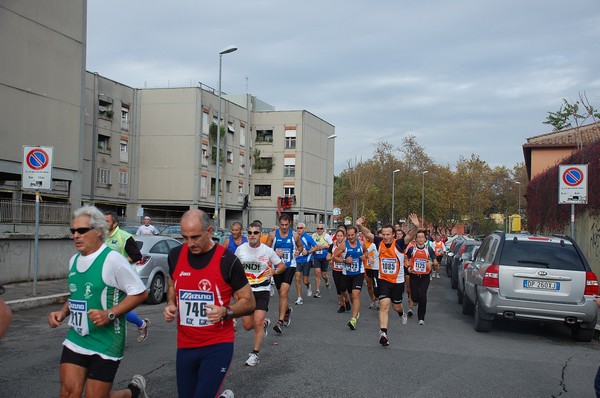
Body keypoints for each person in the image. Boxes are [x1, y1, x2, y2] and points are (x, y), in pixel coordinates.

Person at [48, 205, 149, 398]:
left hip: (106, 341)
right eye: (73, 230)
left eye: (82, 230)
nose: (76, 235)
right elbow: (76, 296)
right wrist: (62, 313)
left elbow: (140, 293)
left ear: (98, 232)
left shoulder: (113, 260)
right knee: (68, 393)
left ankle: (132, 393)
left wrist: (109, 313)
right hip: (77, 338)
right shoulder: (74, 261)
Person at [163, 209, 255, 398]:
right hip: (185, 345)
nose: (190, 243)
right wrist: (171, 303)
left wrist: (226, 311)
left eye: (195, 237)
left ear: (209, 231)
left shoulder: (227, 261)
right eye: (185, 237)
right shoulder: (175, 255)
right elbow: (172, 283)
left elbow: (249, 302)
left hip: (217, 345)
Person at [356, 213, 420, 346]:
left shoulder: (400, 244)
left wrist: (416, 226)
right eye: (383, 234)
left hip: (397, 281)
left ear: (393, 235)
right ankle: (383, 333)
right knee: (384, 305)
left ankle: (402, 313)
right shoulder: (379, 242)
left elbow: (411, 235)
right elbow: (367, 233)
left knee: (396, 306)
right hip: (383, 279)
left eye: (387, 234)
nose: (385, 237)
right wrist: (359, 225)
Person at [234, 221, 285, 366]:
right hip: (246, 292)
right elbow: (233, 268)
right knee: (247, 325)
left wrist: (274, 271)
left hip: (262, 290)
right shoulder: (240, 250)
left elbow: (282, 265)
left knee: (257, 322)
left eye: (255, 232)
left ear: (261, 234)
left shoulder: (267, 250)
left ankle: (254, 353)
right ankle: (265, 324)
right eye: (250, 233)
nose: (252, 235)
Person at [104, 211, 150, 343]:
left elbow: (137, 256)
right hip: (106, 277)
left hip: (121, 278)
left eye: (107, 221)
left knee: (117, 307)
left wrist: (119, 263)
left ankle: (138, 326)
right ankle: (141, 324)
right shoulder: (100, 236)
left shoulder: (124, 237)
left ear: (115, 223)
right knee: (107, 306)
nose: (103, 224)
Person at [265, 214, 304, 334]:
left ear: (290, 224)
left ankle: (280, 322)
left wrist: (298, 251)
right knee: (281, 294)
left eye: (286, 225)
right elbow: (264, 250)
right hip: (277, 267)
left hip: (289, 266)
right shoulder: (273, 235)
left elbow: (300, 246)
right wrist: (274, 252)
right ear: (279, 223)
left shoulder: (294, 235)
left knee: (283, 292)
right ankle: (287, 311)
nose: (284, 227)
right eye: (282, 225)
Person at [333, 226, 364, 330]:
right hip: (347, 273)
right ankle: (354, 309)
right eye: (349, 235)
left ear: (356, 234)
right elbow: (334, 257)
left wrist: (365, 256)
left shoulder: (361, 244)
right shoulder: (343, 245)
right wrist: (344, 260)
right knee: (350, 295)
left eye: (352, 235)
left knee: (355, 294)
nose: (351, 237)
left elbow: (366, 252)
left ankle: (353, 319)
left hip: (359, 273)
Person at [405, 229, 439, 326]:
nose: (420, 239)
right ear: (415, 239)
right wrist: (408, 267)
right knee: (414, 296)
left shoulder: (429, 249)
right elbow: (406, 259)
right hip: (414, 275)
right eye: (418, 237)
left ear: (425, 239)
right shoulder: (412, 249)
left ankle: (421, 318)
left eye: (422, 237)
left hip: (425, 276)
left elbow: (435, 262)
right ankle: (415, 301)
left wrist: (432, 263)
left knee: (423, 296)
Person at [294, 222, 318, 304]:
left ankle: (308, 286)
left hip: (306, 260)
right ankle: (299, 298)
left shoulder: (307, 237)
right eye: (298, 228)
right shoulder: (294, 237)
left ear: (304, 229)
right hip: (297, 260)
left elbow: (316, 246)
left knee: (305, 281)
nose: (299, 229)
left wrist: (308, 252)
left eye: (301, 228)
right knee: (297, 278)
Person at [311, 223, 332, 295]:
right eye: (318, 228)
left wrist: (324, 246)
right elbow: (310, 245)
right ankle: (317, 290)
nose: (319, 230)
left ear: (323, 229)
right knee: (317, 273)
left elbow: (331, 246)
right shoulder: (313, 236)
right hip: (316, 257)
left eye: (321, 229)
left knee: (324, 275)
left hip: (324, 257)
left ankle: (327, 280)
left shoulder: (326, 236)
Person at [363, 232, 380, 310]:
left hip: (376, 268)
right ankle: (372, 299)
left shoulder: (381, 245)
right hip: (368, 267)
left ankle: (377, 301)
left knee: (376, 285)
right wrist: (369, 257)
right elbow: (365, 253)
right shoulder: (370, 245)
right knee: (369, 285)